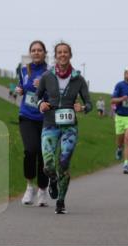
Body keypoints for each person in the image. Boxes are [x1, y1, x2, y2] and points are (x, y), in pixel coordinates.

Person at [36, 42, 91, 214]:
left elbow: (89, 104)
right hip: (50, 123)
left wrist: (82, 108)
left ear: (70, 55)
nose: (62, 55)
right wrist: (41, 104)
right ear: (55, 55)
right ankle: (52, 179)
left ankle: (61, 201)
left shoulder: (78, 79)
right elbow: (38, 97)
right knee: (49, 163)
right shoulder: (47, 76)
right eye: (59, 52)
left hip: (69, 127)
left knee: (64, 163)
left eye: (65, 52)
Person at [15, 41, 51, 207]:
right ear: (30, 53)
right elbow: (22, 86)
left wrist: (44, 88)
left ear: (45, 53)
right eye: (33, 50)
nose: (36, 53)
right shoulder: (24, 70)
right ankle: (29, 186)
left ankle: (42, 189)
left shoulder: (50, 72)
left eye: (39, 50)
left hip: (45, 118)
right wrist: (20, 90)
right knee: (30, 150)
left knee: (44, 155)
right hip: (27, 116)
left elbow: (57, 94)